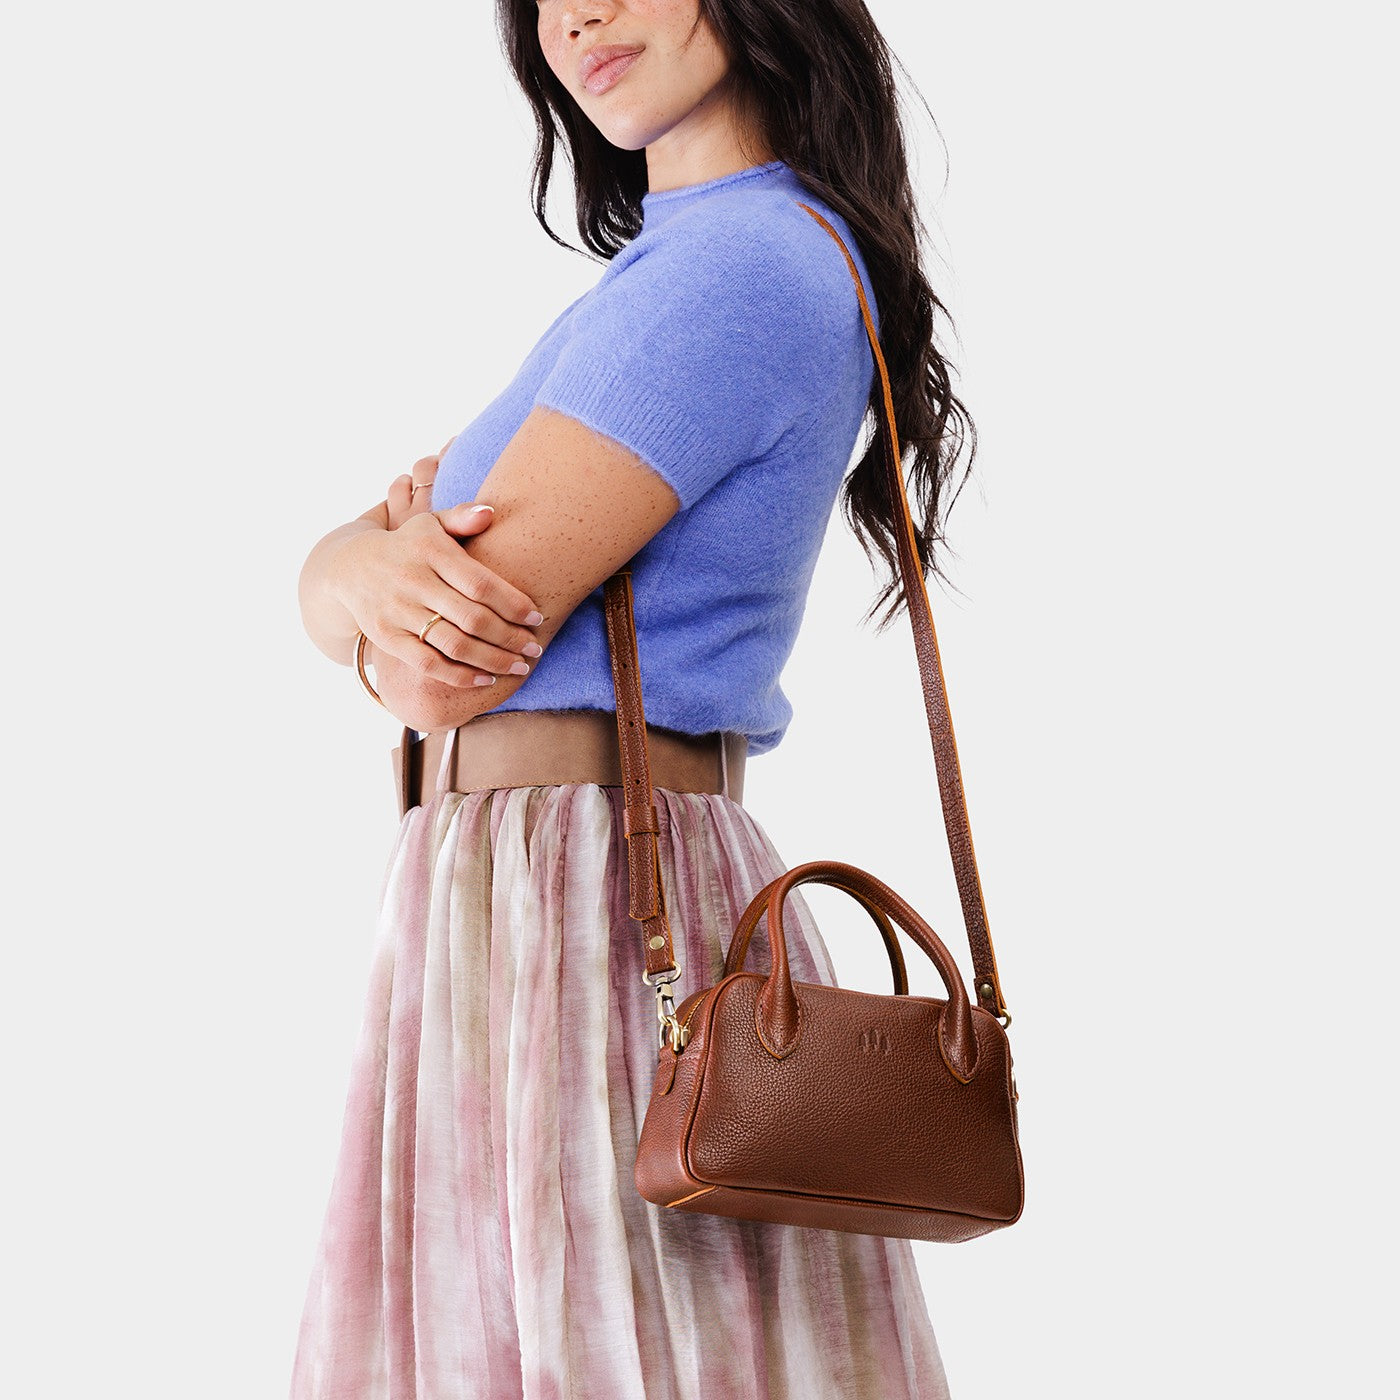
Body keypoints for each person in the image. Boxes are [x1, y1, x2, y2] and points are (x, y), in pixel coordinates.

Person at [289, 1, 978, 1395]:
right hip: (557, 872)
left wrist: (363, 585)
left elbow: (446, 661)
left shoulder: (736, 268)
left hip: (590, 890)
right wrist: (352, 570)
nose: (577, 16)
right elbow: (376, 599)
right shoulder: (676, 272)